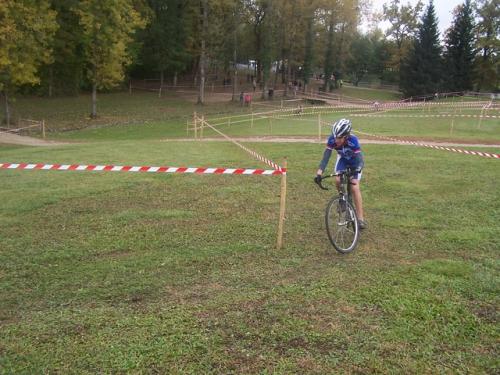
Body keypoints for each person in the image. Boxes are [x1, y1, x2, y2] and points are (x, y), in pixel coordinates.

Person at [314, 118, 367, 229]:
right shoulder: (332, 140)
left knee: (354, 187)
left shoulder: (353, 141)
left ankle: (360, 218)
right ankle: (342, 200)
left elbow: (360, 159)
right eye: (335, 137)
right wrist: (319, 172)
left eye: (339, 138)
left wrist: (358, 168)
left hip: (354, 162)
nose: (336, 140)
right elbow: (326, 156)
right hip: (343, 160)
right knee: (337, 179)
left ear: (346, 136)